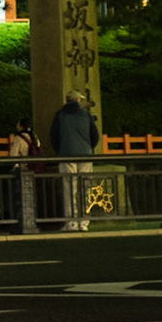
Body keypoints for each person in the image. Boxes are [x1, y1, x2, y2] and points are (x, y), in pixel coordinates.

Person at [50, 90, 101, 231]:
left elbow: (53, 137)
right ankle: (84, 222)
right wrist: (88, 148)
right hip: (85, 155)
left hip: (66, 155)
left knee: (69, 189)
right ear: (78, 100)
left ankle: (71, 222)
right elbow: (95, 136)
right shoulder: (86, 115)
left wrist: (60, 151)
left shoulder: (60, 115)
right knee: (85, 189)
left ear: (67, 100)